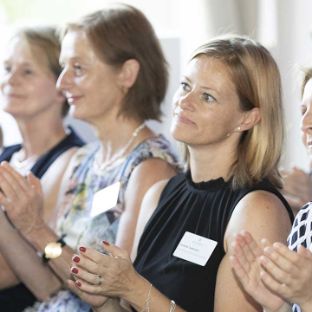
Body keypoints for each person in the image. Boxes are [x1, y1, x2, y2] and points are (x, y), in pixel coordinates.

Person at [67, 35, 295, 312]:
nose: (185, 102)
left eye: (207, 97)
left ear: (246, 119)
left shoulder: (258, 210)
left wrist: (133, 288)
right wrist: (105, 301)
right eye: (185, 86)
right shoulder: (159, 193)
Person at [0, 4, 178, 312]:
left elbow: (119, 300)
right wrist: (12, 218)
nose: (62, 82)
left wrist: (34, 228)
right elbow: (49, 286)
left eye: (78, 69)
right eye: (63, 68)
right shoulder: (84, 159)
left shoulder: (150, 169)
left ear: (127, 74)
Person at [0, 26, 85, 311]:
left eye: (27, 72)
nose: (10, 80)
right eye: (7, 68)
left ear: (61, 86)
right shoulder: (8, 155)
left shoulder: (72, 162)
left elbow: (20, 271)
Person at [230, 68, 312, 312]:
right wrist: (278, 307)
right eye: (303, 111)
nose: (306, 123)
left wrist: (308, 299)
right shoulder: (307, 219)